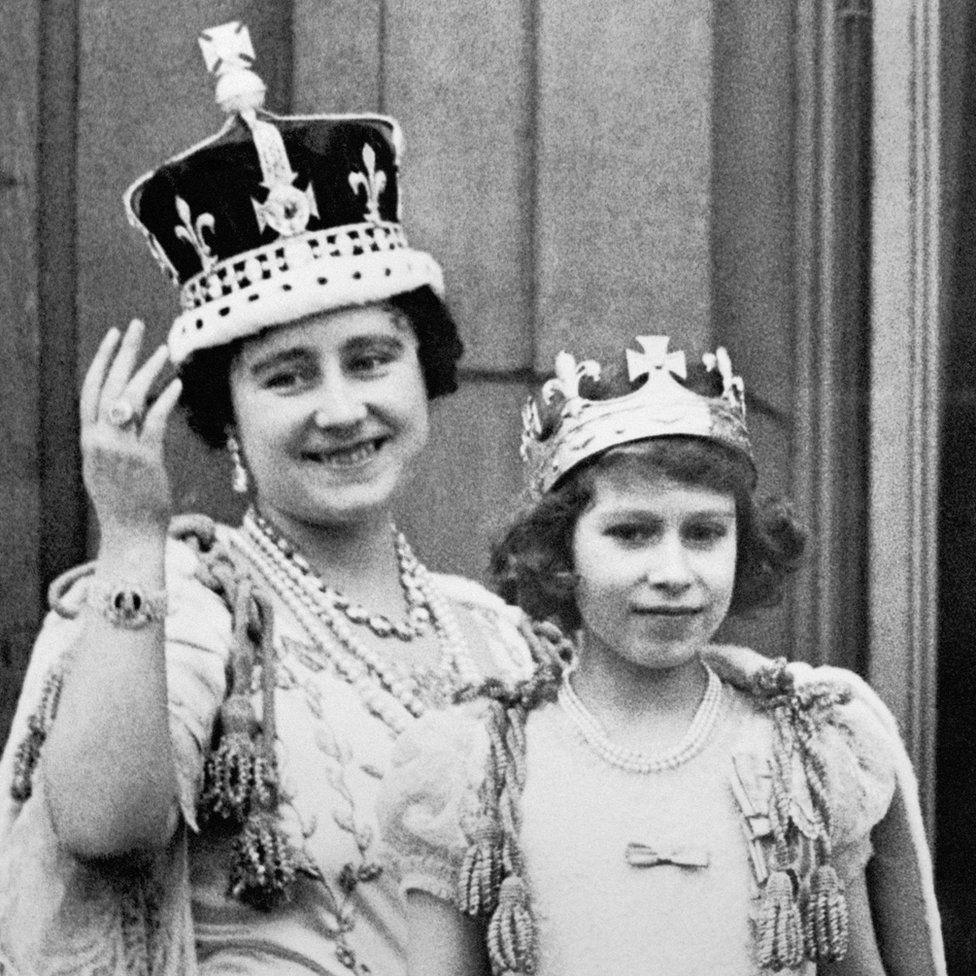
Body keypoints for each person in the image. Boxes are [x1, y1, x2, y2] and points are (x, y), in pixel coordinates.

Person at [0, 21, 531, 976]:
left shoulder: (491, 634)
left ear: (424, 375)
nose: (342, 408)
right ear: (227, 420)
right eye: (288, 378)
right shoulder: (190, 607)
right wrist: (128, 535)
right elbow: (102, 827)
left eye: (371, 360)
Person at [379, 337, 947, 975]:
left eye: (704, 533)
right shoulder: (478, 766)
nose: (673, 571)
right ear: (560, 552)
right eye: (631, 533)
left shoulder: (805, 753)